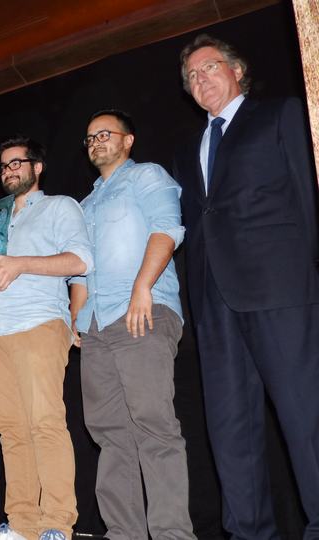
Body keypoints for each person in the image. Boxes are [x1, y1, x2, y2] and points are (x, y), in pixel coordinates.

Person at [173, 34, 319, 539]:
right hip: (214, 304)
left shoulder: (281, 115)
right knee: (230, 429)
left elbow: (308, 193)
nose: (200, 79)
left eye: (209, 67)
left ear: (237, 70)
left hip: (281, 288)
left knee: (304, 414)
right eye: (192, 76)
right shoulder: (188, 150)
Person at [70, 110, 194, 539]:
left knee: (153, 425)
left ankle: (172, 534)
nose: (96, 142)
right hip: (96, 325)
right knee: (109, 433)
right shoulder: (84, 205)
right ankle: (124, 533)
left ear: (128, 140)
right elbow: (81, 269)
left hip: (141, 311)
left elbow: (167, 229)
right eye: (90, 138)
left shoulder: (147, 176)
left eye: (105, 134)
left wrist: (143, 287)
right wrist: (76, 319)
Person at [0, 136, 93, 540]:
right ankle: (22, 524)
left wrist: (20, 264)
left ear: (37, 167)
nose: (9, 170)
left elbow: (80, 261)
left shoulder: (60, 206)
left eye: (17, 162)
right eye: (4, 166)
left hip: (39, 322)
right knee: (11, 432)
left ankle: (57, 523)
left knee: (46, 423)